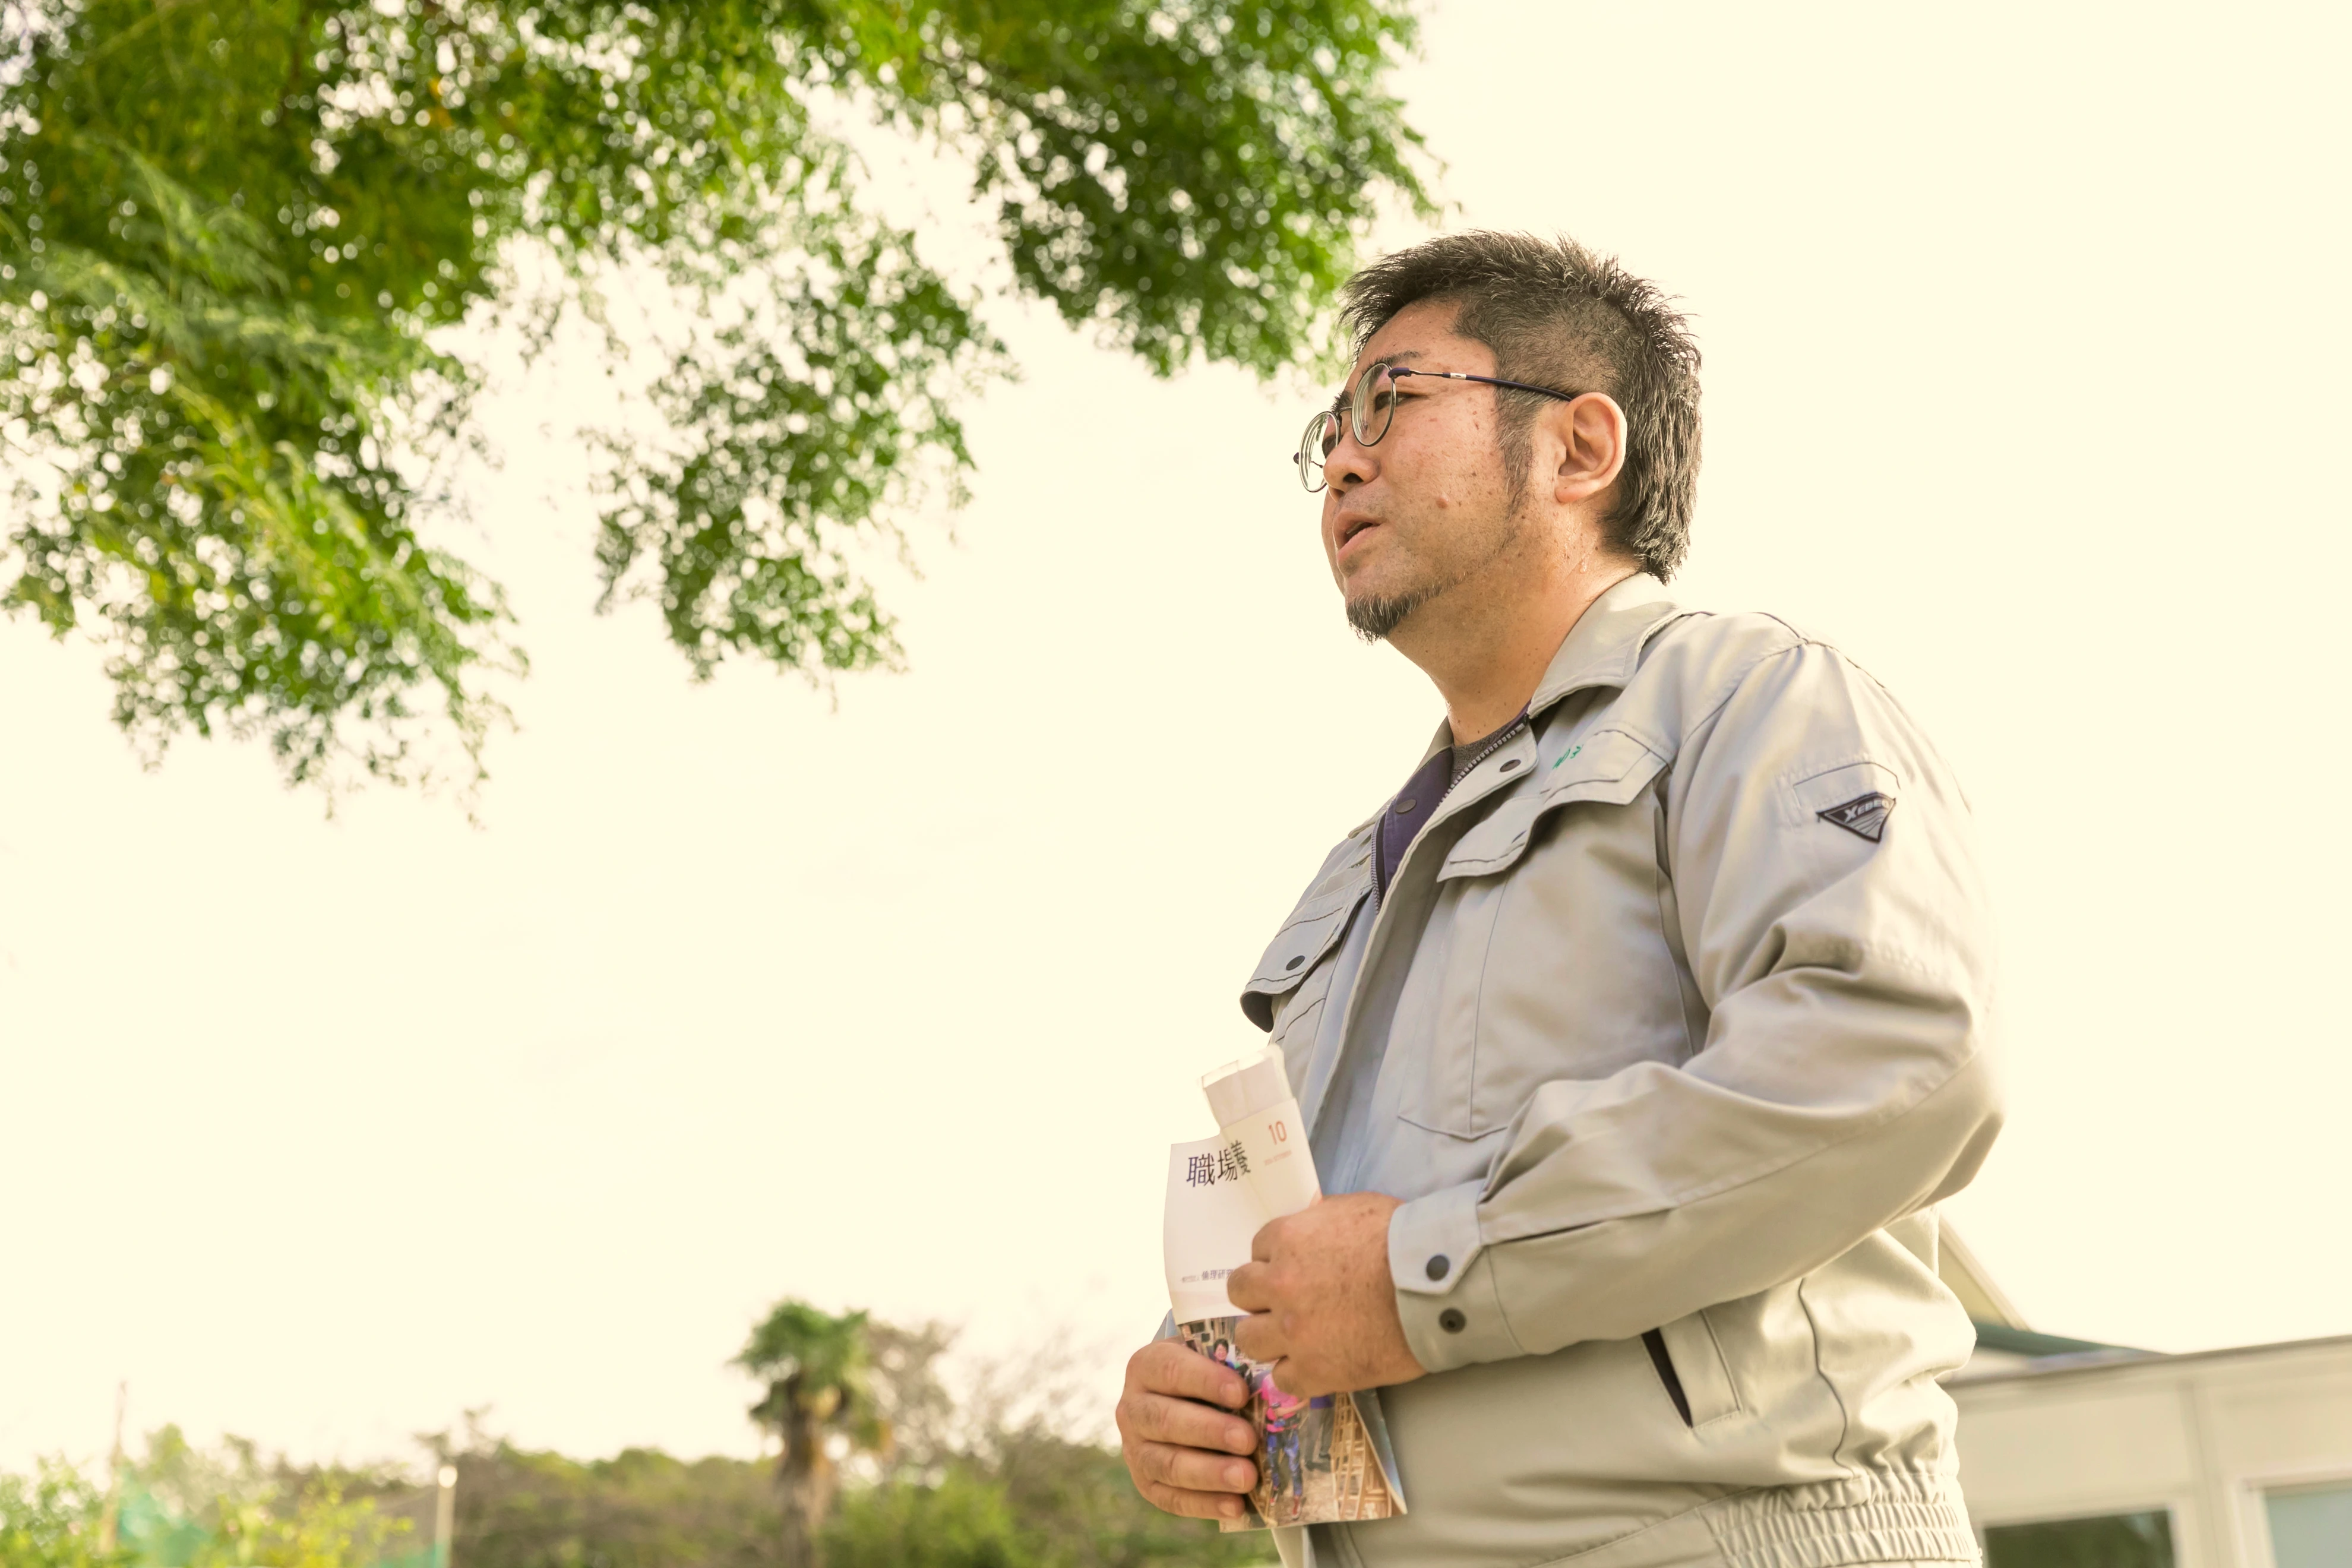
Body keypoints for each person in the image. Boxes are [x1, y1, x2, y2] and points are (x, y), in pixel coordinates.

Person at [1113, 232, 2002, 1568]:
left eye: (1390, 402)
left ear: (1581, 449)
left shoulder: (1752, 703)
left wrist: (1434, 1273)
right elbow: (1330, 1253)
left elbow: (1904, 1057)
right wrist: (1207, 1388)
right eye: (1329, 432)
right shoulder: (1358, 872)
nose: (1342, 460)